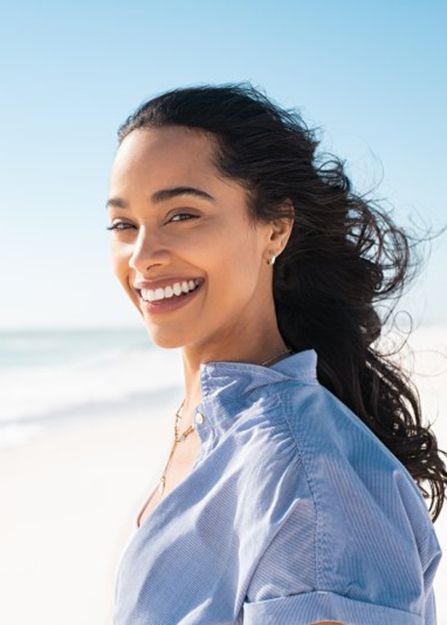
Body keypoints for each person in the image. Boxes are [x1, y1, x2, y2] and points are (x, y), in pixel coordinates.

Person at [107, 82, 445, 625]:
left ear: (275, 227)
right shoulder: (211, 424)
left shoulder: (303, 472)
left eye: (182, 215)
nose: (143, 256)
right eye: (124, 224)